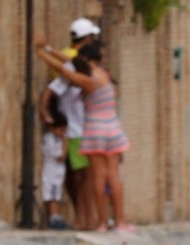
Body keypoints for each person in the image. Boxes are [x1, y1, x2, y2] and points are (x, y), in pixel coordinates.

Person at [37, 39, 134, 232]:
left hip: (96, 129)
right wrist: (51, 49)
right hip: (114, 128)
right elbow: (69, 62)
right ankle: (121, 221)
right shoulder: (103, 74)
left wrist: (42, 53)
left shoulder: (87, 81)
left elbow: (65, 69)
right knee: (113, 176)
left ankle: (101, 222)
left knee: (97, 176)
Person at [39, 18, 100, 229]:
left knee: (78, 178)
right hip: (75, 131)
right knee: (80, 178)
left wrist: (46, 50)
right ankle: (86, 218)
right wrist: (45, 112)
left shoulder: (74, 61)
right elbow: (64, 70)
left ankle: (86, 218)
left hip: (78, 129)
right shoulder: (78, 64)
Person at [41, 93, 69, 229]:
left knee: (56, 194)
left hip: (58, 172)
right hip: (51, 171)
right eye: (60, 129)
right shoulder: (50, 140)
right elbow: (61, 156)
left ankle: (56, 216)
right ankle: (53, 217)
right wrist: (65, 141)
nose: (63, 132)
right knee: (52, 195)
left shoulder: (57, 139)